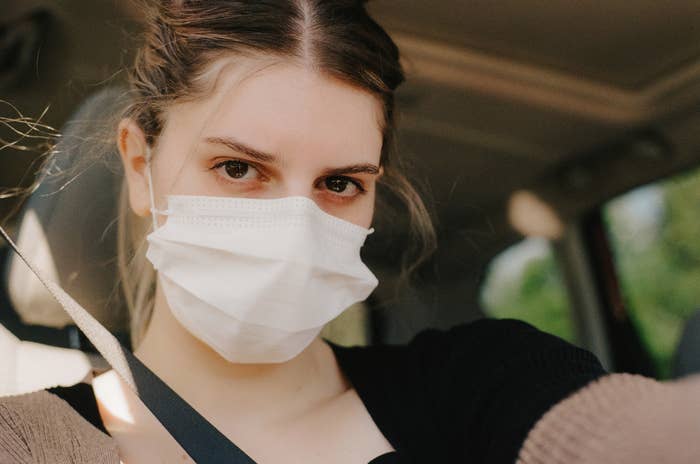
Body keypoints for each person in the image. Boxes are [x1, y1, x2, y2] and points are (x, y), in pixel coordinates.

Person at [1, 1, 700, 463]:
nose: (294, 228)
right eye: (238, 168)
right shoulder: (30, 441)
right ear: (138, 165)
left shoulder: (483, 385)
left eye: (340, 183)